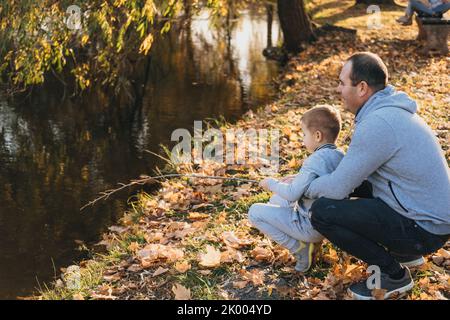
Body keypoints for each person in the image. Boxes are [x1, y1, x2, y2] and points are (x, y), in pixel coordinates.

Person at [306, 52, 450, 300]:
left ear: (362, 88)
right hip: (427, 216)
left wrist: (306, 186)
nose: (338, 89)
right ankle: (405, 252)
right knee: (354, 185)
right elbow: (353, 175)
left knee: (322, 211)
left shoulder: (379, 123)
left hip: (424, 229)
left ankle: (393, 275)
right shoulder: (388, 110)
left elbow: (338, 188)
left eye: (342, 83)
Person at [248, 105, 344, 272]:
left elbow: (292, 194)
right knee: (276, 200)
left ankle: (300, 249)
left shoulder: (314, 160)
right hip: (331, 221)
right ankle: (311, 244)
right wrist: (296, 179)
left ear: (318, 136)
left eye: (304, 134)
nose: (302, 139)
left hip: (310, 225)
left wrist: (270, 183)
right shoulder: (340, 155)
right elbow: (321, 181)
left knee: (254, 212)